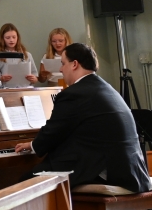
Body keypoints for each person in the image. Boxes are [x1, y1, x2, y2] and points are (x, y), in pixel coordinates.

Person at [15, 44, 152, 194]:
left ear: (74, 64)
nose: (61, 69)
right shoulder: (107, 88)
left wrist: (33, 145)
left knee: (26, 183)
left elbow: (53, 131)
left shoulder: (74, 94)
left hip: (104, 172)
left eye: (63, 63)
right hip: (130, 170)